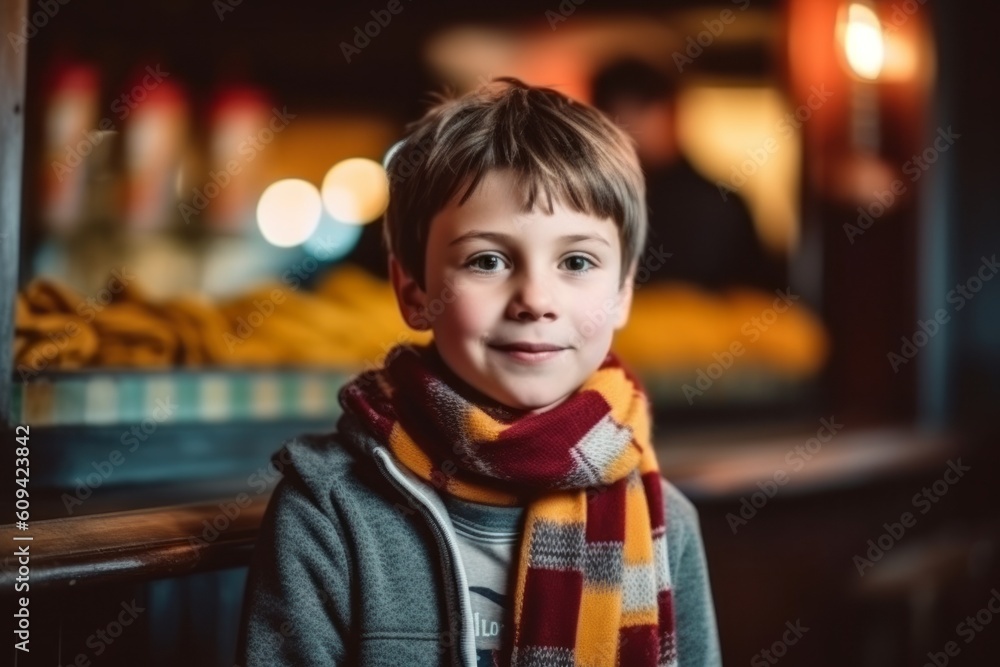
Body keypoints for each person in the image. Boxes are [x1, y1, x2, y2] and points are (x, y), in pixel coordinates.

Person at [236, 78, 721, 667]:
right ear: (412, 290)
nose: (535, 299)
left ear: (622, 292)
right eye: (487, 260)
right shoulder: (329, 511)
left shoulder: (666, 521)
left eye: (577, 261)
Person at [592, 57, 786, 292]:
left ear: (670, 112)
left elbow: (754, 297)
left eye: (637, 112)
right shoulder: (591, 203)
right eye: (614, 116)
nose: (627, 129)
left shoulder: (718, 205)